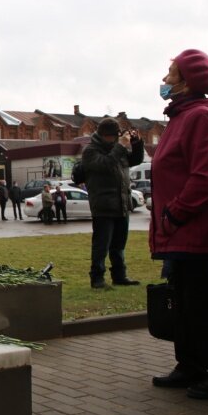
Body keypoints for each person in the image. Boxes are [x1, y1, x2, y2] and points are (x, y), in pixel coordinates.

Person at [149, 49, 208, 399]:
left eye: (171, 74)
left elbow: (205, 175)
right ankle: (189, 365)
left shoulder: (199, 117)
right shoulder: (179, 117)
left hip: (194, 229)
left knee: (203, 304)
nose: (165, 79)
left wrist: (175, 214)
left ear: (187, 82)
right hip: (179, 232)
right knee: (184, 302)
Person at [81, 118, 144, 288]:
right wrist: (120, 146)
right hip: (103, 206)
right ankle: (97, 278)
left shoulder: (118, 149)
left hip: (121, 204)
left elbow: (136, 160)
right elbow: (106, 165)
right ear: (104, 135)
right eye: (114, 136)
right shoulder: (91, 151)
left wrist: (137, 143)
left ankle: (119, 276)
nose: (117, 139)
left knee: (119, 245)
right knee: (101, 245)